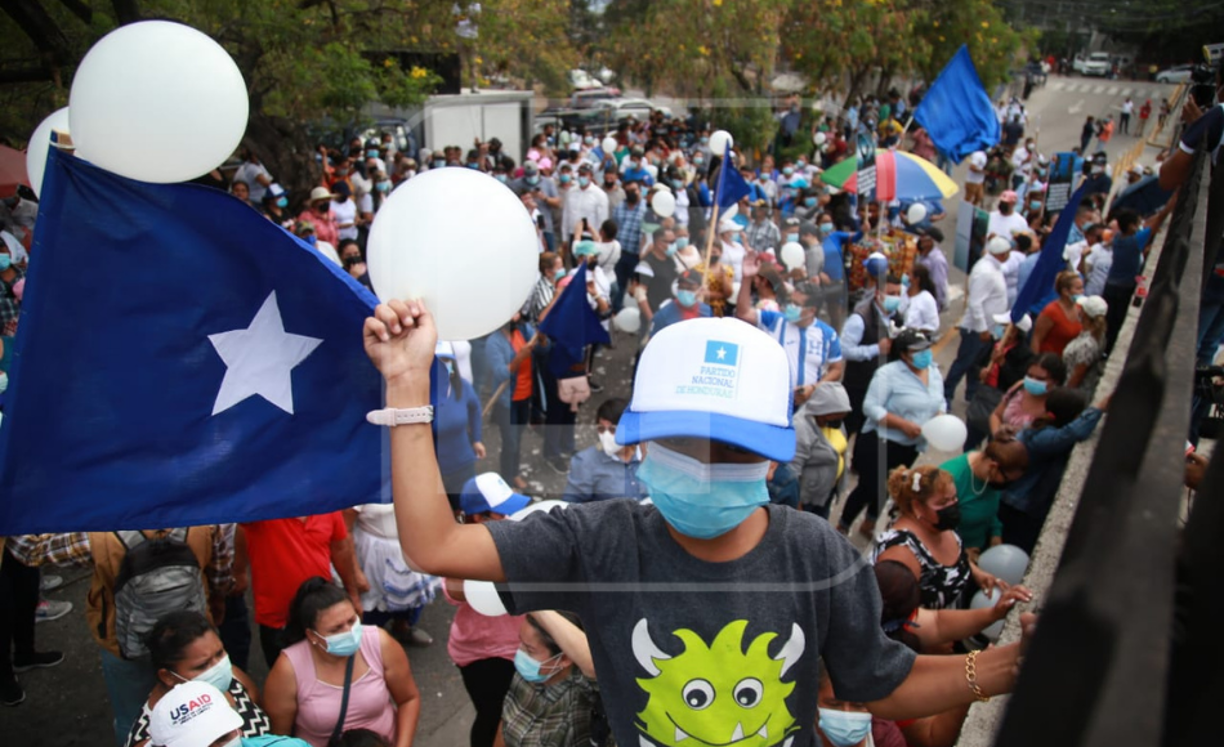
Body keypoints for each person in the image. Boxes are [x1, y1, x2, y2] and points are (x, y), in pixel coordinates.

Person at [361, 303, 1035, 747]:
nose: (707, 466)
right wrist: (406, 381)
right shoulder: (599, 541)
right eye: (683, 440)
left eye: (733, 448)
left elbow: (883, 680)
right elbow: (433, 543)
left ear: (774, 459)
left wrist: (1010, 666)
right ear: (640, 444)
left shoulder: (817, 553)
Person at [7, 527, 231, 743]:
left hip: (124, 642)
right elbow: (220, 573)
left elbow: (31, 551)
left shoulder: (98, 537)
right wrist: (217, 603)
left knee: (132, 718)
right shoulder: (206, 521)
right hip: (194, 644)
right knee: (207, 707)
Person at [264, 578, 421, 747]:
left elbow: (408, 699)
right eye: (336, 629)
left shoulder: (379, 643)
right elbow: (280, 738)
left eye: (351, 621)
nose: (349, 632)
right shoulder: (289, 669)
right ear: (312, 635)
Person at [446, 476, 531, 747]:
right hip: (483, 655)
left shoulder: (518, 533)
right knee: (492, 717)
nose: (511, 517)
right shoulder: (455, 549)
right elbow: (454, 590)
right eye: (503, 512)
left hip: (524, 648)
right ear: (480, 519)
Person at [839, 329, 946, 538]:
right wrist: (902, 425)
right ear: (904, 354)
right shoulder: (888, 373)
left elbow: (939, 400)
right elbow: (871, 406)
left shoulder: (933, 372)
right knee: (869, 486)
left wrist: (940, 414)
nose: (924, 354)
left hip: (911, 445)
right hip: (882, 441)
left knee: (892, 486)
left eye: (926, 349)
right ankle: (843, 524)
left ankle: (869, 523)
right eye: (917, 350)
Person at [241, 511, 366, 669]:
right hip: (279, 620)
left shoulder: (327, 506)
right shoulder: (263, 510)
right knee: (288, 679)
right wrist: (239, 570)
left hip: (323, 618)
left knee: (331, 672)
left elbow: (340, 550)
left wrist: (352, 595)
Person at [125, 611, 268, 747]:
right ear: (167, 676)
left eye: (219, 653)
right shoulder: (154, 738)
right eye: (202, 666)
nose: (218, 667)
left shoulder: (231, 678)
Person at [872, 465, 1003, 611]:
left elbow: (953, 555)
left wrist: (976, 573)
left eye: (954, 498)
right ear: (917, 507)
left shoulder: (939, 524)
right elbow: (901, 613)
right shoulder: (901, 551)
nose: (952, 506)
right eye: (942, 503)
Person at [998, 389, 1108, 553]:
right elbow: (1073, 433)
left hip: (1015, 502)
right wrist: (1098, 408)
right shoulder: (1043, 438)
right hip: (1020, 507)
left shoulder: (1038, 427)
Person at [738, 260, 844, 405]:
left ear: (812, 310)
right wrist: (746, 279)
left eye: (797, 305)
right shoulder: (775, 321)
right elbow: (743, 313)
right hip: (771, 402)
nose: (791, 307)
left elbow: (836, 369)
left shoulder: (827, 335)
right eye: (791, 302)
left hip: (807, 407)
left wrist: (814, 388)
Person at [497, 611, 597, 747]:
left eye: (530, 650)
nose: (520, 653)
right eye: (521, 643)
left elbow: (591, 664)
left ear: (564, 658)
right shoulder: (526, 675)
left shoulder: (580, 698)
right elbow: (506, 723)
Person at [346, 502, 438, 648]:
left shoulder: (415, 480)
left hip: (412, 546)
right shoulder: (358, 484)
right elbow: (345, 530)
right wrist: (355, 571)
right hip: (374, 555)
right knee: (373, 604)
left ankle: (402, 628)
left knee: (412, 596)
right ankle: (372, 644)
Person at [938, 435, 1029, 562]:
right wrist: (959, 551)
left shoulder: (989, 478)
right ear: (993, 466)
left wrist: (995, 533)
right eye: (1007, 480)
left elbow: (989, 509)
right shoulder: (951, 479)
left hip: (977, 549)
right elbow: (934, 526)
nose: (1007, 485)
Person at [944, 237, 1012, 406]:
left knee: (976, 365)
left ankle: (971, 394)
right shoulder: (986, 272)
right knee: (963, 364)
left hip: (988, 329)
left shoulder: (994, 267)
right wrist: (982, 328)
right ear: (1003, 254)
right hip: (976, 330)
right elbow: (975, 302)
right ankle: (946, 394)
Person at [1102, 203, 1175, 355]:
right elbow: (1158, 220)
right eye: (1137, 223)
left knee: (1108, 322)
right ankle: (1108, 351)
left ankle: (1103, 349)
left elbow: (1149, 223)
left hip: (1110, 286)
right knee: (1118, 322)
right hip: (1123, 289)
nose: (1140, 225)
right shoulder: (1135, 242)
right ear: (1130, 226)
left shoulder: (1118, 239)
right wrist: (1171, 203)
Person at [0, 541, 64, 707]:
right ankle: (4, 675)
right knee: (3, 609)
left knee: (27, 591)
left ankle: (25, 654)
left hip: (13, 534)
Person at [840, 274, 902, 435]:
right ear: (878, 294)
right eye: (891, 293)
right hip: (859, 386)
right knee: (848, 428)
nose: (895, 298)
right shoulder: (860, 319)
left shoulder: (898, 317)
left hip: (883, 387)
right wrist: (876, 349)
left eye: (898, 293)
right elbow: (845, 350)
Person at [485, 313, 538, 490]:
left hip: (525, 395)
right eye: (513, 315)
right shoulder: (493, 342)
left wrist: (543, 341)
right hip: (507, 402)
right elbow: (500, 373)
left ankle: (513, 474)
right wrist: (518, 358)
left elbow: (543, 351)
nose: (517, 317)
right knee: (511, 442)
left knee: (518, 437)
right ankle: (506, 481)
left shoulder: (524, 330)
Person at [562, 398, 647, 503]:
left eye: (613, 430)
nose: (606, 436)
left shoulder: (648, 453)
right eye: (601, 429)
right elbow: (572, 504)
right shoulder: (585, 462)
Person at [433, 343, 485, 510]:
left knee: (464, 512)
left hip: (463, 465)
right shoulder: (421, 394)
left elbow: (475, 408)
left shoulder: (462, 386)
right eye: (437, 361)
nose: (442, 365)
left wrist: (476, 439)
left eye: (446, 360)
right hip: (434, 470)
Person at [791, 383, 852, 519]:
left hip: (825, 494)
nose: (839, 421)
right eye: (836, 416)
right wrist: (797, 506)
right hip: (806, 501)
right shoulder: (801, 428)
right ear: (823, 410)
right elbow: (793, 471)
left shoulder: (835, 422)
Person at [989, 353, 1067, 439]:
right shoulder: (1019, 387)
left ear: (1055, 381)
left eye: (1040, 379)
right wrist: (997, 434)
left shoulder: (1057, 405)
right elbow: (996, 415)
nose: (1033, 381)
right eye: (1030, 376)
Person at [1030, 270, 1084, 356]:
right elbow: (1036, 339)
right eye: (1078, 289)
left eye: (1082, 288)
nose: (1082, 291)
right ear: (1065, 291)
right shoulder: (1051, 311)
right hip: (1049, 360)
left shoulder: (1080, 308)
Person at [647, 269, 712, 339]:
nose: (685, 291)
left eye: (690, 288)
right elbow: (652, 344)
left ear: (700, 290)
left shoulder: (707, 312)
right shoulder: (663, 316)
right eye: (681, 287)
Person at [1062, 296, 1108, 392]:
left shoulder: (1087, 345)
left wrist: (1063, 395)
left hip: (1068, 389)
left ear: (1085, 314)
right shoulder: (1097, 333)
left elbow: (1077, 375)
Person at [914, 231, 949, 312]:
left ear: (931, 242)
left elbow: (938, 285)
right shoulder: (923, 255)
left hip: (929, 305)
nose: (921, 239)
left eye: (924, 238)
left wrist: (935, 308)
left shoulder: (937, 261)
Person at [902, 264, 940, 335]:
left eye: (908, 274)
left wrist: (914, 331)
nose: (904, 276)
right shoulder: (901, 292)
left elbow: (933, 325)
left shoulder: (926, 299)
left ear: (916, 279)